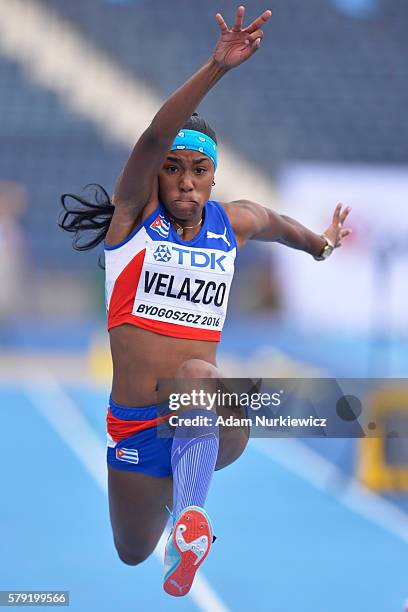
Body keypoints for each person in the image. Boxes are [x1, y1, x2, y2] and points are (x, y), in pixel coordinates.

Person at [60, 5, 352, 597]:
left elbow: (273, 221)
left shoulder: (230, 223)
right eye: (172, 170)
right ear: (156, 177)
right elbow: (149, 138)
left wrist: (320, 245)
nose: (185, 180)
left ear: (214, 177)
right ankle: (170, 520)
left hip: (211, 413)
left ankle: (190, 524)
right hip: (136, 426)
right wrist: (216, 66)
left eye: (198, 170)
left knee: (196, 373)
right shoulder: (131, 224)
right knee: (130, 554)